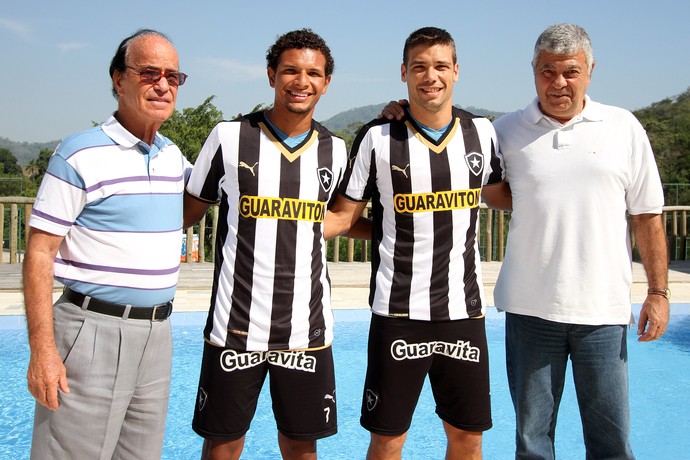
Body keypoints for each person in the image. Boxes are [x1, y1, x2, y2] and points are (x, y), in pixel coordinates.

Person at [325, 27, 510, 459]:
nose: (432, 76)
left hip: (463, 312)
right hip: (398, 313)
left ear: (457, 71)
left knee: (467, 437)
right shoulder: (377, 137)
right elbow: (344, 217)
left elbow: (507, 195)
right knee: (388, 439)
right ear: (404, 73)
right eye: (421, 67)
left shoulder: (482, 133)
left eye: (441, 66)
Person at [492, 24, 670, 459]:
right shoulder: (504, 132)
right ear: (533, 72)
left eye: (570, 71)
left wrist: (659, 292)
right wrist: (399, 113)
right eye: (546, 71)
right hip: (530, 308)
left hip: (602, 312)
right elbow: (445, 150)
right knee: (532, 442)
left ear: (590, 70)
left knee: (611, 442)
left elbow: (647, 214)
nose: (558, 83)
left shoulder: (623, 127)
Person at [184, 29, 354, 460]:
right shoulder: (227, 137)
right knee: (223, 444)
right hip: (234, 327)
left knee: (301, 446)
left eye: (313, 73)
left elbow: (342, 216)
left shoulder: (335, 150)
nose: (301, 81)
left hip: (306, 330)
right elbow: (188, 211)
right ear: (271, 75)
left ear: (327, 81)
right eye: (290, 71)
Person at [23, 29, 192, 459]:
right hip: (91, 333)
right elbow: (39, 251)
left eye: (173, 76)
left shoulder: (175, 158)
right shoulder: (79, 153)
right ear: (118, 79)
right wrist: (42, 351)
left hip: (158, 335)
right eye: (149, 72)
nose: (163, 84)